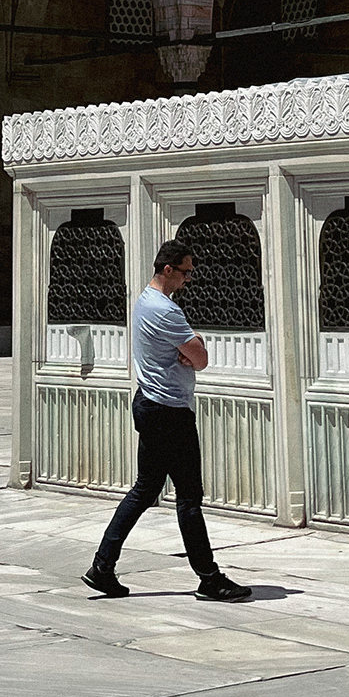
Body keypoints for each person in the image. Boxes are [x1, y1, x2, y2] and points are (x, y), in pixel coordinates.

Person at [83, 241, 251, 602]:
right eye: (186, 271)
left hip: (149, 403)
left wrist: (190, 347)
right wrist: (195, 346)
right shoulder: (166, 311)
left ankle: (102, 567)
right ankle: (209, 579)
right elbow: (200, 359)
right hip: (169, 412)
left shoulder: (145, 301)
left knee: (145, 490)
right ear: (168, 269)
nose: (189, 279)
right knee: (188, 497)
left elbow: (189, 352)